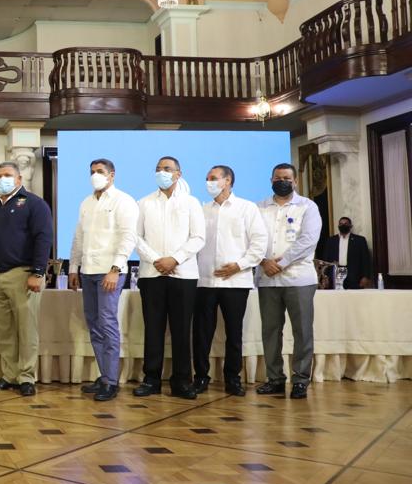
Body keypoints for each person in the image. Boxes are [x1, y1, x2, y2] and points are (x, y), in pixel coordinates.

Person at [193, 165, 268, 397]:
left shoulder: (246, 208)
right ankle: (201, 376)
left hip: (236, 281)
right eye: (207, 178)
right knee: (201, 333)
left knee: (234, 333)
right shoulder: (202, 209)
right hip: (205, 281)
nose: (209, 182)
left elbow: (259, 242)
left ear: (227, 181)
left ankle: (232, 378)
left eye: (213, 178)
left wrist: (240, 264)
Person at [134, 156, 205, 400]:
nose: (161, 172)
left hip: (183, 274)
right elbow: (136, 237)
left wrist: (174, 259)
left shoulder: (191, 202)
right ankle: (151, 379)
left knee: (182, 329)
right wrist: (157, 259)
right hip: (151, 274)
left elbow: (198, 237)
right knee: (153, 328)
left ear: (178, 174)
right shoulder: (144, 203)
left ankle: (182, 381)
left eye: (166, 168)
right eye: (158, 169)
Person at [0, 161, 52, 396]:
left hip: (23, 275)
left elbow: (43, 238)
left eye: (8, 175)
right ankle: (9, 375)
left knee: (26, 329)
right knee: (4, 330)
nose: (3, 179)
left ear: (19, 179)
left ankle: (26, 377)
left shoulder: (34, 204)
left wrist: (38, 272)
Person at [68, 158, 138, 402]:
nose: (95, 175)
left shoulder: (123, 201)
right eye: (92, 171)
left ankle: (111, 381)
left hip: (110, 271)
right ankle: (105, 374)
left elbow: (128, 237)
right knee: (94, 323)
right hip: (88, 270)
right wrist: (73, 267)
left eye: (100, 171)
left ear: (112, 175)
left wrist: (115, 268)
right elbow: (79, 237)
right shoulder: (86, 202)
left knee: (107, 323)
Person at [256, 163, 323, 399]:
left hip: (299, 279)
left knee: (302, 331)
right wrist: (264, 261)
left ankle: (301, 380)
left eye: (286, 178)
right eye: (277, 178)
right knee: (270, 331)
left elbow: (308, 240)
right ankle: (275, 379)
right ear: (271, 180)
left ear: (295, 181)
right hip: (267, 279)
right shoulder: (259, 207)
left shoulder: (308, 206)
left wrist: (281, 263)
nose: (282, 181)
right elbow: (252, 238)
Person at [318, 216, 373, 289]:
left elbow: (365, 260)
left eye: (346, 224)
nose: (343, 225)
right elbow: (326, 260)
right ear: (338, 226)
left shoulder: (360, 240)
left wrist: (366, 276)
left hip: (354, 276)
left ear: (351, 226)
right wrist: (325, 276)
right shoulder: (331, 241)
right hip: (335, 275)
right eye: (341, 224)